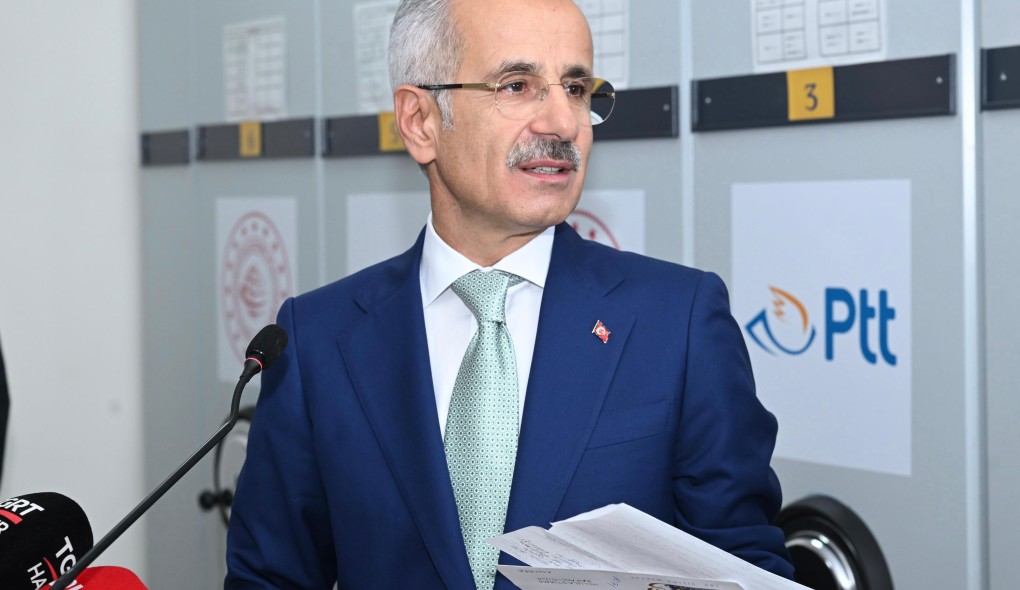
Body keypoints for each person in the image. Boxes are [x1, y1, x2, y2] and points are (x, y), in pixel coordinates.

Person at [225, 0, 793, 588]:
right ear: (420, 122)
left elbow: (744, 567)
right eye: (517, 85)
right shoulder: (317, 339)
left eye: (576, 88)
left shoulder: (679, 322)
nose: (563, 123)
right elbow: (269, 577)